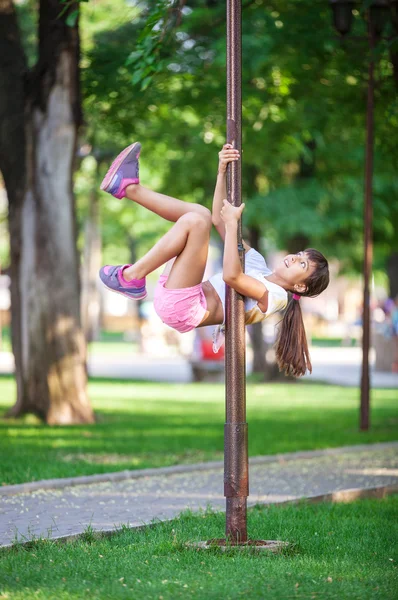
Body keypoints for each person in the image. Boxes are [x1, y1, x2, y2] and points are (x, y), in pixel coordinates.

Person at [99, 142, 330, 377]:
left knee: (197, 222)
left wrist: (233, 224)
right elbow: (219, 221)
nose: (294, 258)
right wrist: (221, 172)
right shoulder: (258, 264)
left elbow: (232, 277)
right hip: (184, 292)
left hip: (185, 308)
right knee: (201, 215)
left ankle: (131, 277)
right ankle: (128, 188)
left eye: (302, 264)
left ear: (301, 285)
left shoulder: (277, 296)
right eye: (299, 255)